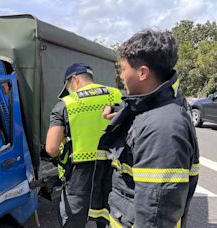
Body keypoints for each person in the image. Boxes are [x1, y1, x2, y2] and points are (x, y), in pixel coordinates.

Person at [99, 29, 199, 227]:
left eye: (123, 69)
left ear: (143, 73)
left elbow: (155, 214)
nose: (121, 76)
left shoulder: (164, 129)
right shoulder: (158, 107)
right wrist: (122, 112)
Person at [45, 63, 122, 228]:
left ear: (74, 79)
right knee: (109, 215)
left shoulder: (66, 104)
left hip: (80, 174)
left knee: (74, 220)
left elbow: (51, 149)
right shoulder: (117, 95)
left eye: (68, 86)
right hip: (113, 168)